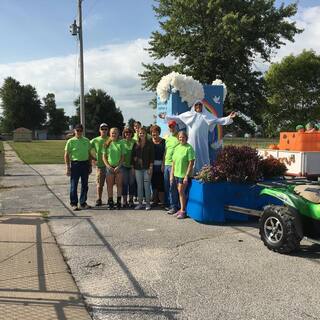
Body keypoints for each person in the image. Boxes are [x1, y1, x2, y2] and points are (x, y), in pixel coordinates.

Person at [160, 100, 236, 173]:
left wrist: (229, 117)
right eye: (196, 105)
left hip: (202, 142)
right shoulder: (188, 115)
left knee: (202, 157)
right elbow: (177, 118)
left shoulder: (207, 116)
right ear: (194, 106)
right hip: (191, 143)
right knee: (191, 158)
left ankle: (203, 174)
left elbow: (218, 120)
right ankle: (190, 174)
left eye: (200, 104)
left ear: (202, 106)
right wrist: (165, 116)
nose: (198, 106)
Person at [64, 124, 92, 211]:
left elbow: (89, 154)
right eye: (77, 130)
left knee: (85, 185)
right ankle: (74, 203)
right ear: (74, 131)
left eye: (80, 130)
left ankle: (83, 203)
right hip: (75, 164)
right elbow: (66, 155)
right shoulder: (70, 141)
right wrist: (68, 167)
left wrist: (90, 165)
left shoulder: (87, 141)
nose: (79, 132)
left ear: (82, 131)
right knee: (74, 185)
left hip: (85, 164)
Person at [170, 131, 195, 219]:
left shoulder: (189, 148)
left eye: (183, 137)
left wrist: (186, 176)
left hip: (183, 175)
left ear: (186, 138)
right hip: (176, 174)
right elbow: (173, 162)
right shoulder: (177, 147)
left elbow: (191, 163)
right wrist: (171, 175)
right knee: (179, 192)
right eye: (180, 137)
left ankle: (183, 211)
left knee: (181, 193)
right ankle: (180, 209)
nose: (181, 139)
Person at [131, 127, 154, 210]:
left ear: (146, 134)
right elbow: (132, 156)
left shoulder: (150, 143)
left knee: (147, 186)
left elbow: (152, 156)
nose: (142, 134)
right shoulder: (136, 143)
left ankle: (148, 204)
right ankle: (140, 204)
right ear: (138, 134)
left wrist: (151, 167)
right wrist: (133, 167)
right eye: (140, 133)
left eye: (143, 133)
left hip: (147, 168)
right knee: (139, 186)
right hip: (137, 168)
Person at [103, 127, 124, 210]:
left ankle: (118, 202)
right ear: (110, 134)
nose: (114, 134)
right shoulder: (106, 143)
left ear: (118, 134)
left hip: (118, 168)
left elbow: (123, 157)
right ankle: (111, 202)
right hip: (109, 167)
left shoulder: (121, 143)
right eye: (112, 133)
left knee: (119, 185)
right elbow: (104, 157)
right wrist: (108, 166)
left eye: (115, 133)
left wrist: (118, 166)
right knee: (109, 186)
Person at [90, 123, 109, 206]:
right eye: (102, 129)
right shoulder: (95, 140)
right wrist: (93, 158)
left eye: (105, 129)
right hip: (100, 165)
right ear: (99, 130)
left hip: (110, 165)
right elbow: (86, 149)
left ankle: (110, 199)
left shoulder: (110, 139)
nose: (104, 131)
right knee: (99, 184)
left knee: (110, 184)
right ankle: (99, 199)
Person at [163, 120, 180, 214]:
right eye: (170, 127)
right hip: (166, 164)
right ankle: (169, 204)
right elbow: (165, 152)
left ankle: (174, 206)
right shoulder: (168, 138)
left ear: (176, 127)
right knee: (167, 185)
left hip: (174, 165)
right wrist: (163, 164)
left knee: (172, 185)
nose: (171, 128)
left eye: (173, 126)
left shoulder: (179, 137)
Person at [150, 125, 166, 207]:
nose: (155, 136)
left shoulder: (163, 141)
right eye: (153, 134)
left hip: (161, 166)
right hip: (152, 166)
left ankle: (162, 202)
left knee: (161, 184)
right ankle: (155, 201)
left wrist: (163, 164)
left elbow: (164, 154)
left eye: (156, 134)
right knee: (153, 183)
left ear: (159, 133)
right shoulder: (149, 141)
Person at [121, 127, 136, 208]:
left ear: (132, 134)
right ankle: (124, 201)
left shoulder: (135, 142)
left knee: (132, 183)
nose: (128, 134)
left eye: (129, 133)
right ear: (124, 134)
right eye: (126, 133)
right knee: (124, 184)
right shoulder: (121, 142)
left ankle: (131, 200)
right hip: (123, 166)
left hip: (132, 167)